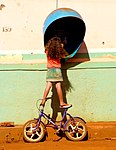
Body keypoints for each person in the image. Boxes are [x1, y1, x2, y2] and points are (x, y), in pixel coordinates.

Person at [40, 37, 72, 109]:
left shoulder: (47, 50)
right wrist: (63, 44)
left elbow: (46, 48)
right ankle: (61, 102)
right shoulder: (59, 51)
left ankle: (43, 101)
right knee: (58, 86)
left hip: (50, 70)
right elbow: (65, 56)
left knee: (48, 86)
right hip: (57, 70)